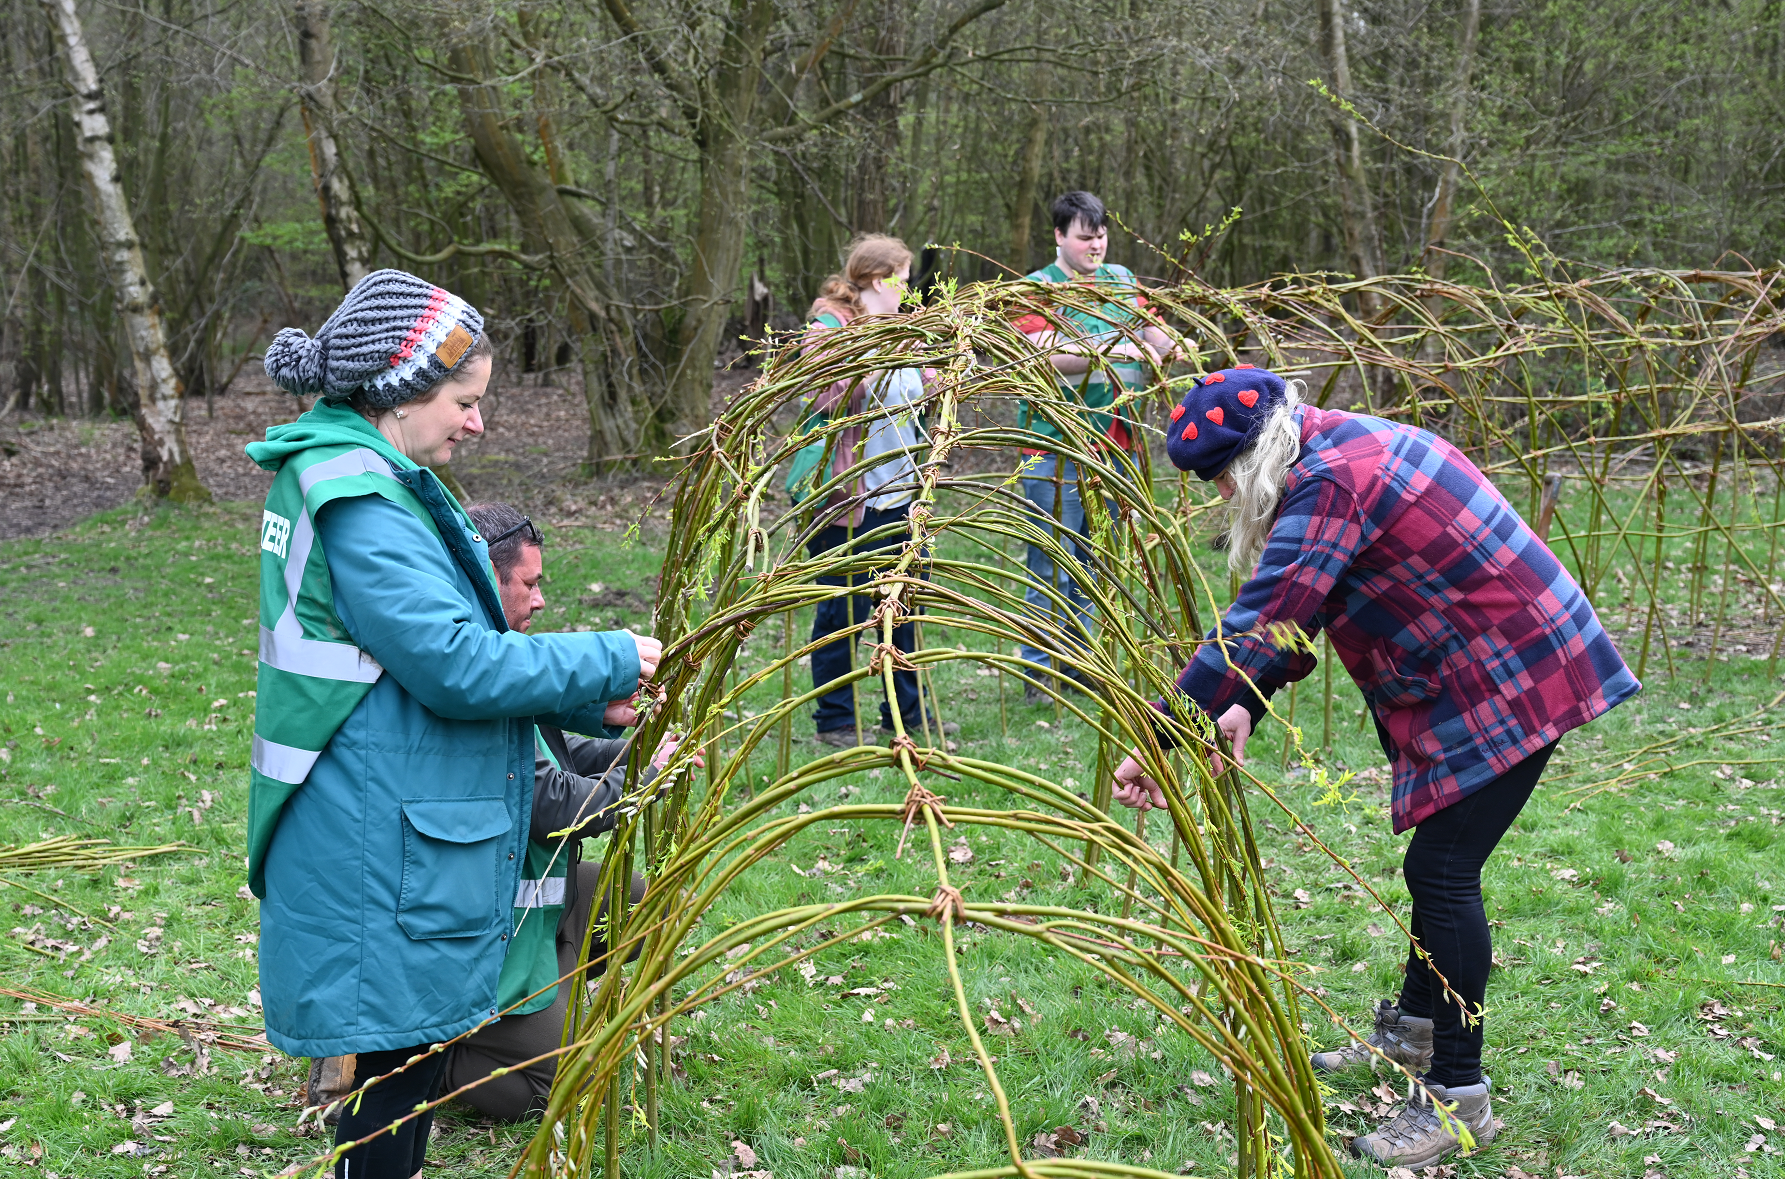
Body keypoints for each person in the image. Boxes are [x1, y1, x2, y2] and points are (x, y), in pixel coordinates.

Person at [1109, 366, 1639, 1169]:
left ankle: (1458, 1099)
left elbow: (1262, 614)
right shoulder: (1335, 449)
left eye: (1222, 480)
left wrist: (1158, 738)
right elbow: (1308, 600)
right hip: (1488, 667)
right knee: (1438, 865)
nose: (1222, 498)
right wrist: (1244, 701)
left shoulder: (1333, 479)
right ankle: (1412, 1039)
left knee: (1443, 869)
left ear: (1255, 455)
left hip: (1516, 671)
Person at [250, 269, 660, 1179]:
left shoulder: (375, 481)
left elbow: (437, 655)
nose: (476, 422)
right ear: (402, 390)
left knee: (409, 1060)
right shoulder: (355, 496)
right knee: (397, 1072)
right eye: (463, 400)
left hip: (389, 813)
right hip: (369, 827)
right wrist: (609, 656)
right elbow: (452, 664)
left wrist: (596, 703)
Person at [433, 501, 689, 1119]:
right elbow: (552, 803)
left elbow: (561, 750)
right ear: (488, 581)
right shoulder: (470, 670)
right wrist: (647, 778)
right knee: (555, 1082)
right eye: (529, 584)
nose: (541, 599)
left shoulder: (501, 659)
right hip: (485, 925)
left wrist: (639, 748)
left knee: (646, 903)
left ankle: (553, 994)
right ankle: (424, 1059)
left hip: (535, 900)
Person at [1011, 191, 1185, 702]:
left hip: (1115, 445)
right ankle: (1038, 672)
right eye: (1085, 236)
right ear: (1060, 236)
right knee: (1051, 559)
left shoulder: (1121, 281)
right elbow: (1037, 351)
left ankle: (1084, 661)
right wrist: (1109, 351)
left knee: (1096, 558)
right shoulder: (1036, 290)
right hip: (1052, 447)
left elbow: (1152, 330)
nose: (1096, 245)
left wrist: (1174, 348)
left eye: (1102, 234)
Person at [798, 233, 956, 747]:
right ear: (874, 280)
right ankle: (836, 719)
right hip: (851, 497)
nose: (907, 292)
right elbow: (824, 391)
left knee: (904, 605)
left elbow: (922, 390)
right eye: (902, 281)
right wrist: (873, 353)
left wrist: (945, 376)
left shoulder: (903, 330)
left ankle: (906, 714)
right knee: (841, 607)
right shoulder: (830, 328)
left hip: (903, 492)